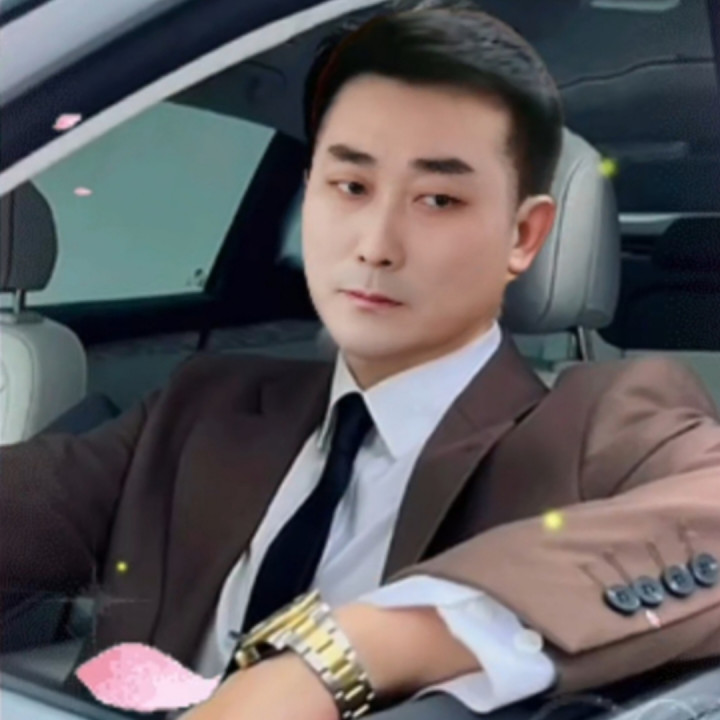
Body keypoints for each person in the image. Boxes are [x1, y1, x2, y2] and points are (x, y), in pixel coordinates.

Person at [2, 4, 720, 720]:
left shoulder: (592, 424)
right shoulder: (203, 405)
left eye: (438, 199)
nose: (376, 245)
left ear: (523, 237)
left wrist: (346, 652)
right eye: (350, 186)